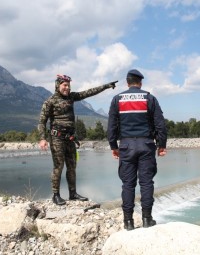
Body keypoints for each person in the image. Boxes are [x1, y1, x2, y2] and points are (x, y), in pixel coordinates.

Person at [38, 74, 117, 205]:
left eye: (68, 85)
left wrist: (106, 86)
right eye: (65, 85)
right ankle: (55, 195)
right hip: (57, 138)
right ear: (58, 85)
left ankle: (72, 193)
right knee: (58, 166)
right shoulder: (50, 101)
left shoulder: (71, 97)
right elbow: (41, 121)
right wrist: (42, 138)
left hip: (70, 139)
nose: (67, 88)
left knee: (72, 166)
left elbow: (88, 92)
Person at [107, 69, 167, 230]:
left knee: (128, 184)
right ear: (140, 83)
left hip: (126, 146)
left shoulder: (117, 99)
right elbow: (160, 124)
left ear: (127, 83)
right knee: (146, 183)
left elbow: (111, 126)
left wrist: (114, 146)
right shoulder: (149, 98)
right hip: (146, 145)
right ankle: (147, 219)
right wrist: (162, 145)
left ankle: (128, 222)